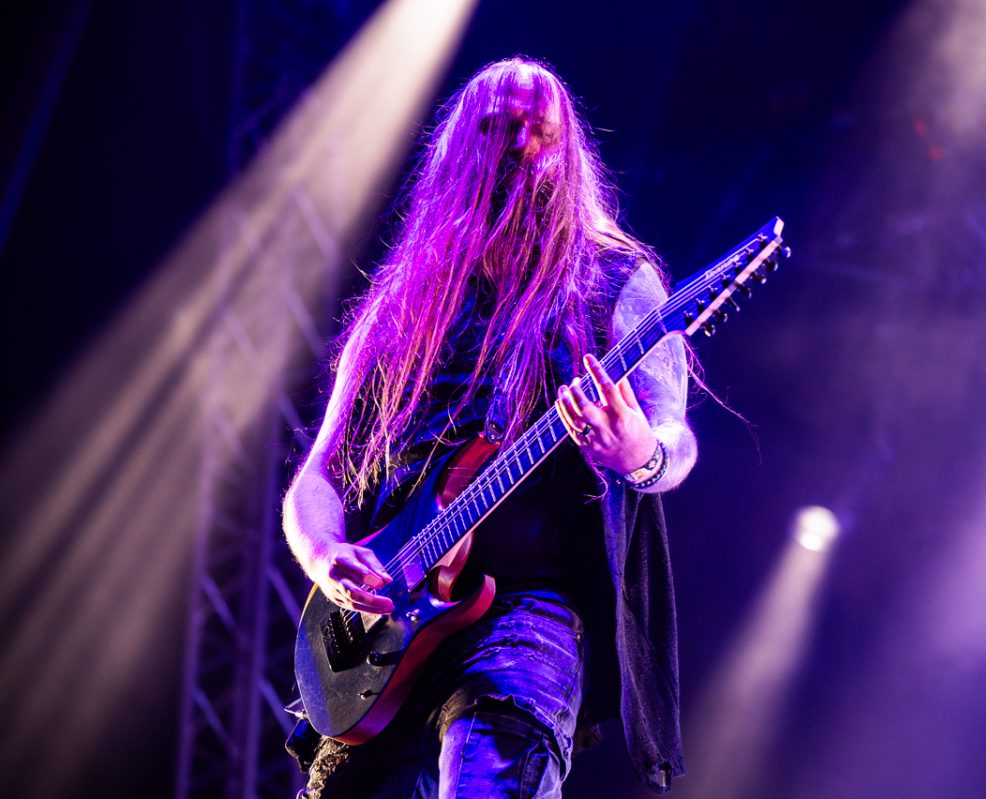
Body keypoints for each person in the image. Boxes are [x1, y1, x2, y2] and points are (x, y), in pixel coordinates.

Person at [283, 56, 696, 798]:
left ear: (568, 152)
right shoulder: (402, 303)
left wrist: (639, 453)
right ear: (460, 149)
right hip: (384, 635)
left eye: (542, 133)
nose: (522, 148)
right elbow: (319, 473)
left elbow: (674, 438)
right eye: (500, 129)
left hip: (527, 615)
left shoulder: (612, 279)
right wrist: (323, 553)